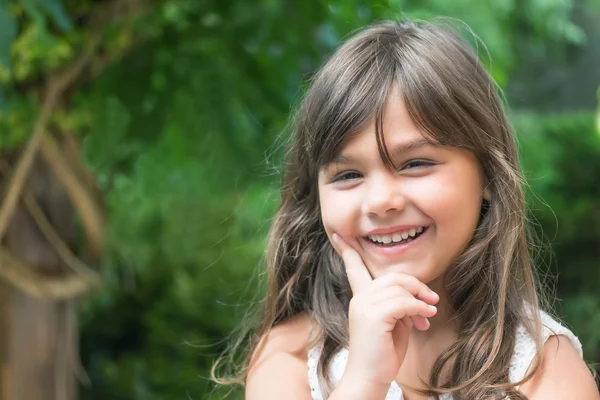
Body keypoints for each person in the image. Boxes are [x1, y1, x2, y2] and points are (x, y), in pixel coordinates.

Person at [212, 19, 600, 399]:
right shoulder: (288, 360)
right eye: (348, 174)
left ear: (487, 176)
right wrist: (364, 383)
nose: (381, 201)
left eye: (415, 164)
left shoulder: (545, 374)